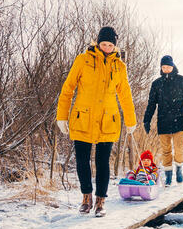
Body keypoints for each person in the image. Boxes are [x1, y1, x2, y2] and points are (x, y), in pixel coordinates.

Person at [56, 26, 136, 217]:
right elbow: (68, 88)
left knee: (102, 162)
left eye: (110, 45)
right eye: (103, 44)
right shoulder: (83, 60)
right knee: (82, 160)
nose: (107, 47)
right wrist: (61, 116)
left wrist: (131, 120)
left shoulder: (119, 66)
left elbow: (125, 95)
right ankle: (86, 198)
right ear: (97, 43)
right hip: (83, 117)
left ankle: (100, 201)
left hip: (107, 119)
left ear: (115, 46)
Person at [143, 55, 183, 185]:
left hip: (179, 121)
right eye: (163, 67)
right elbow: (151, 104)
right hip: (163, 121)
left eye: (168, 66)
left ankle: (179, 168)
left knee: (179, 149)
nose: (166, 69)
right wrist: (146, 120)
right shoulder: (156, 84)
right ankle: (168, 174)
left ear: (173, 66)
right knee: (166, 150)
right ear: (161, 68)